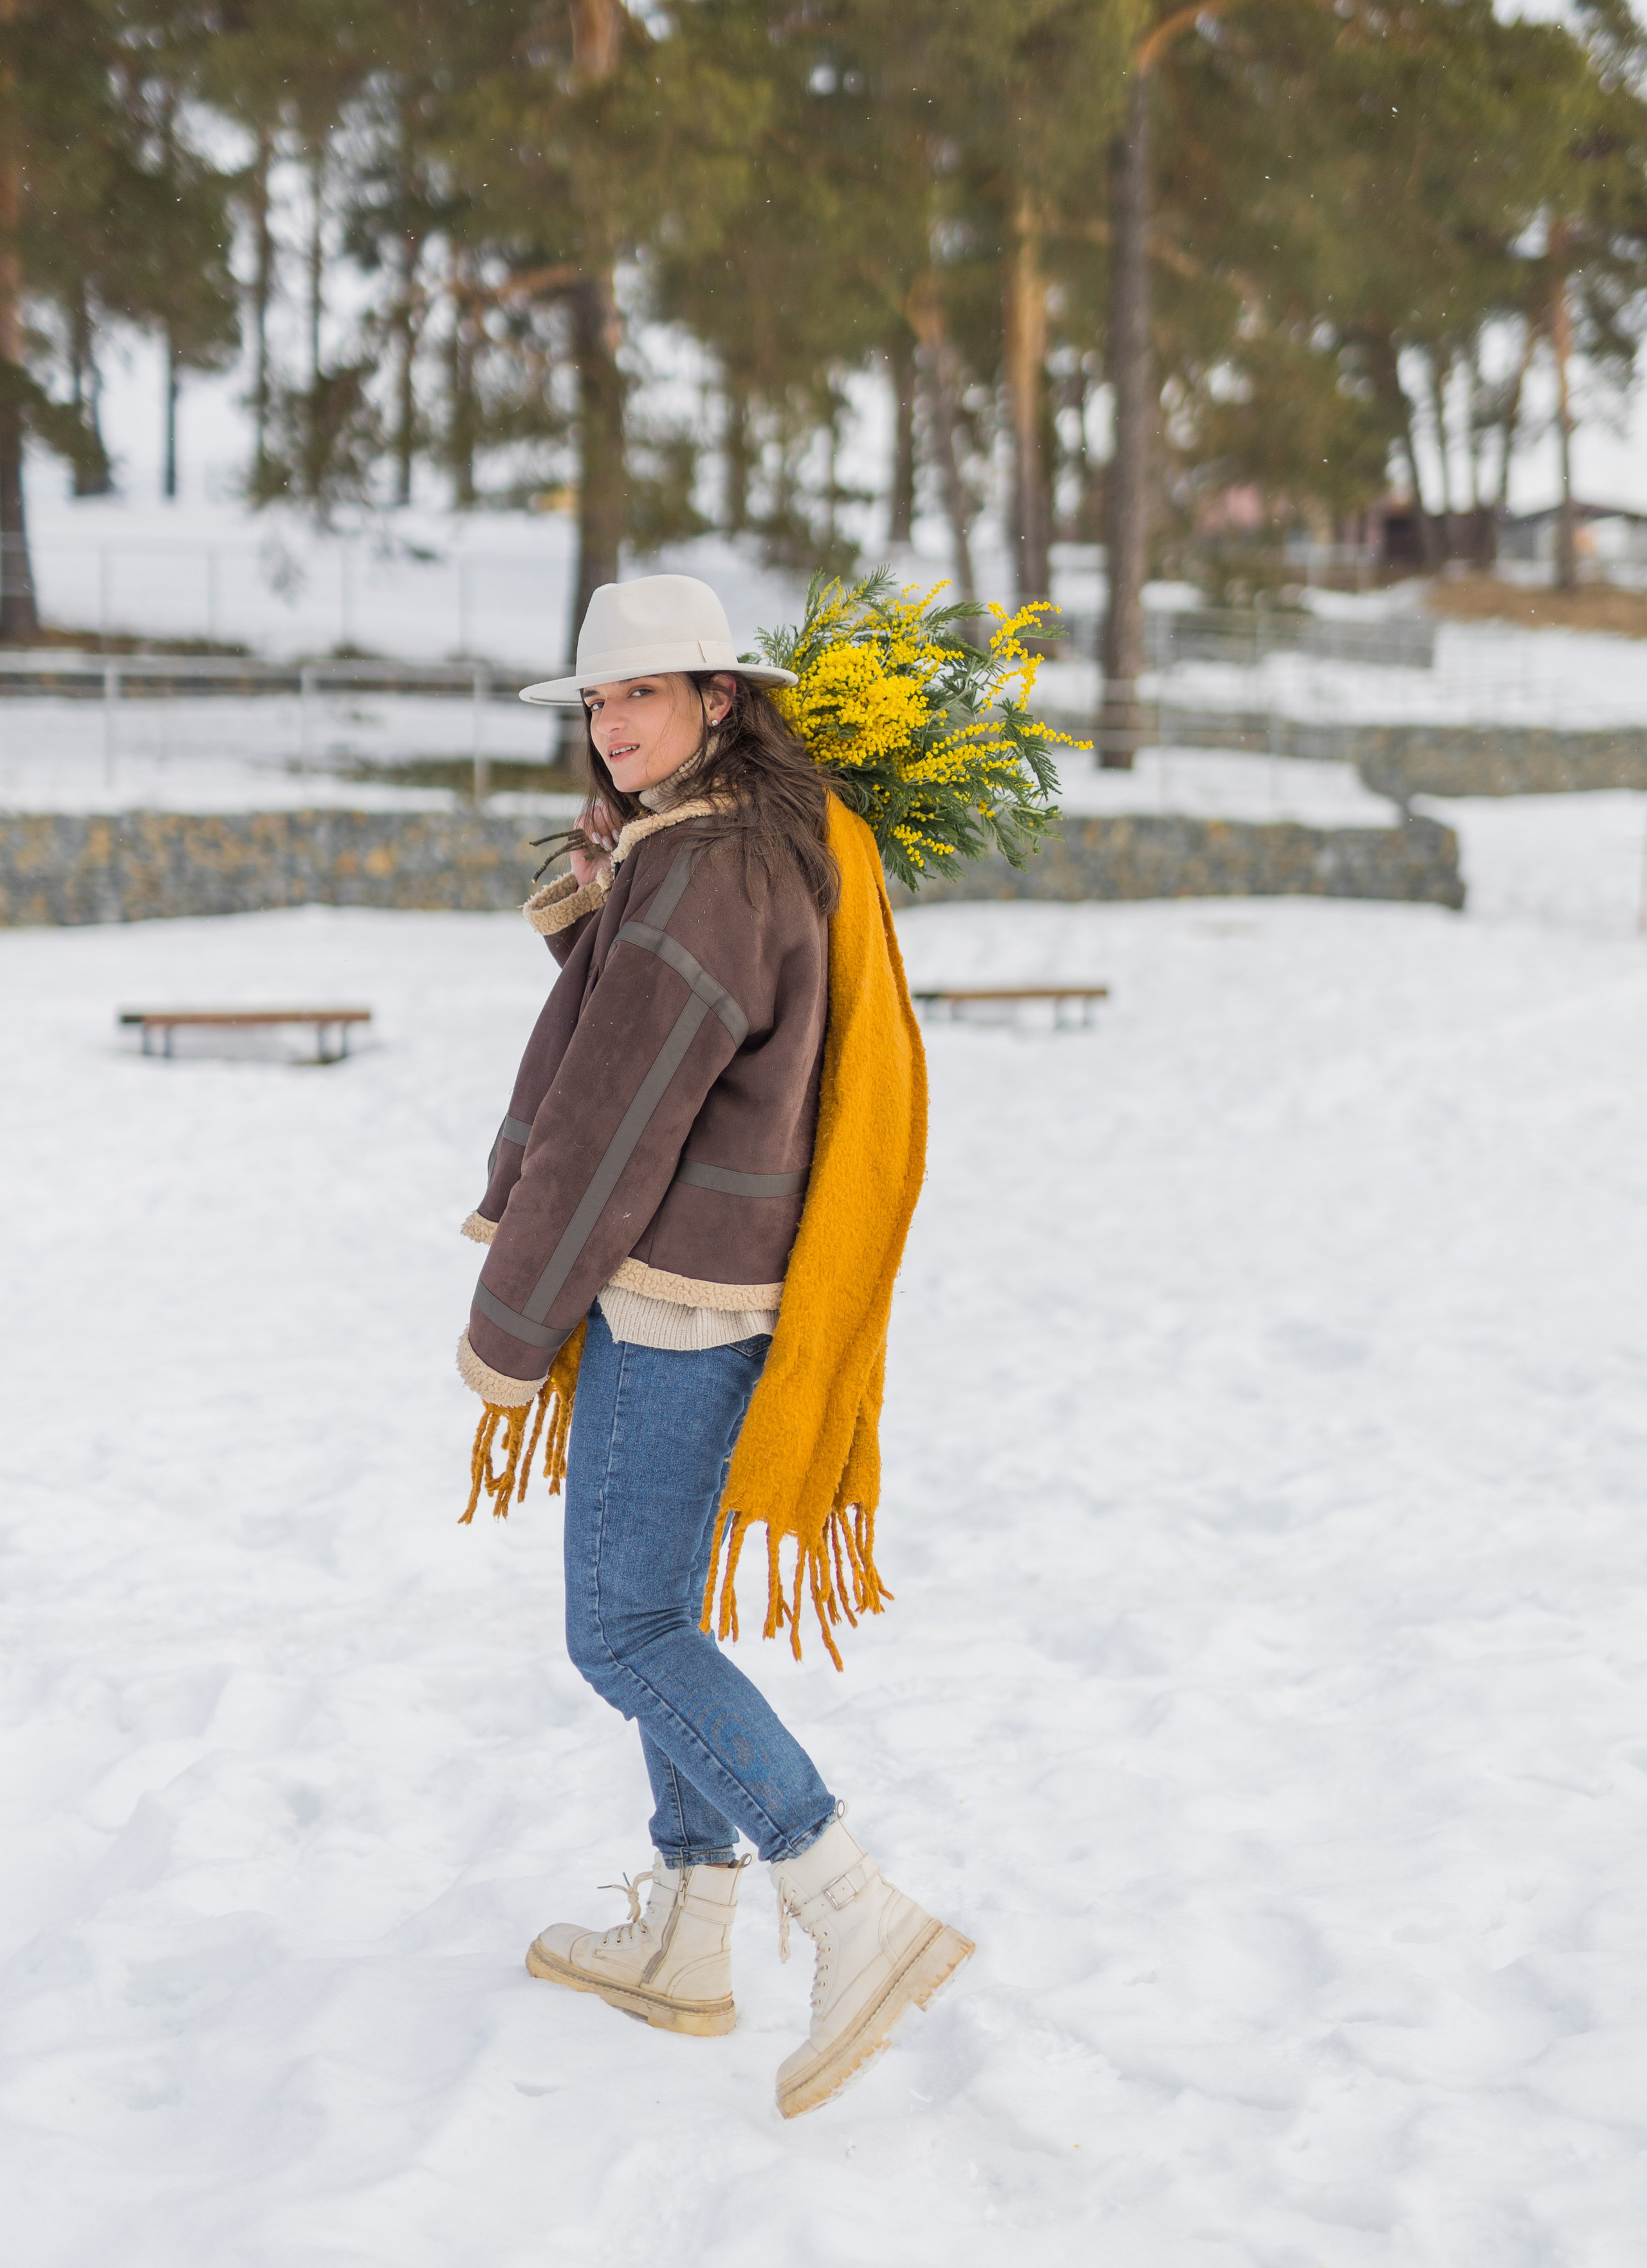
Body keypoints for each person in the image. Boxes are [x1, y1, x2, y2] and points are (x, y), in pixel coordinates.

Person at [455, 574, 971, 2118]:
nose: (611, 729)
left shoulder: (700, 875)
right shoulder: (748, 844)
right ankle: (688, 1932)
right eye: (597, 702)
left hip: (670, 1293)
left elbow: (615, 1123)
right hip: (732, 1279)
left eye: (642, 697)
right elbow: (679, 1033)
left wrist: (510, 1327)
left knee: (619, 1632)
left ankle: (848, 1904)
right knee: (659, 1609)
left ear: (717, 702)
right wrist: (600, 906)